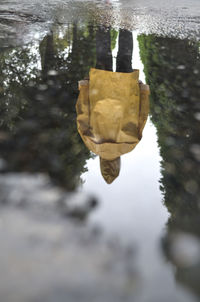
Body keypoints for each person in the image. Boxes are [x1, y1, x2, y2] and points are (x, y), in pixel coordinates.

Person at [76, 27, 149, 184]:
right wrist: (85, 88)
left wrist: (143, 91)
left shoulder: (130, 146)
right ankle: (104, 19)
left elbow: (142, 116)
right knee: (103, 56)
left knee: (125, 57)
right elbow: (83, 114)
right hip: (100, 91)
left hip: (126, 92)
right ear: (101, 163)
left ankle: (126, 23)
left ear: (118, 165)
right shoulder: (91, 144)